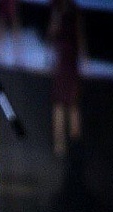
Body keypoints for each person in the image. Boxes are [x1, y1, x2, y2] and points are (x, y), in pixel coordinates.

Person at [46, 0, 87, 158]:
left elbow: (79, 35)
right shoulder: (57, 8)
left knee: (71, 104)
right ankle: (60, 145)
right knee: (60, 103)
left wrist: (83, 57)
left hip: (69, 61)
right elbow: (52, 32)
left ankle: (73, 145)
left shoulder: (73, 10)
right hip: (61, 60)